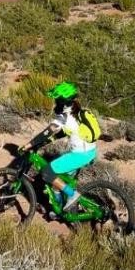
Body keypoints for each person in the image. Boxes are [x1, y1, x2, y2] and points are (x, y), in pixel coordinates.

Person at [25, 81, 97, 212]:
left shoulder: (64, 116)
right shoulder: (78, 112)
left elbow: (47, 132)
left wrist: (29, 144)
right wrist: (48, 141)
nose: (55, 103)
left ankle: (72, 195)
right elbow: (64, 131)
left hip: (79, 155)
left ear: (63, 102)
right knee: (57, 183)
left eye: (57, 100)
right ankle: (57, 210)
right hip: (90, 151)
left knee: (47, 173)